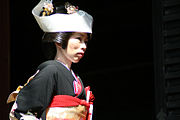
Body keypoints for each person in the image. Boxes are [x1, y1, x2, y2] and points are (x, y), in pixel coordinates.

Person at [7, 0, 94, 120]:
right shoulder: (51, 70)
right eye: (79, 39)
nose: (83, 46)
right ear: (59, 41)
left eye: (85, 41)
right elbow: (21, 111)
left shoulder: (76, 78)